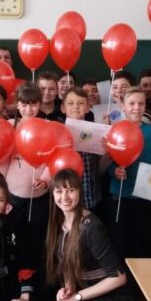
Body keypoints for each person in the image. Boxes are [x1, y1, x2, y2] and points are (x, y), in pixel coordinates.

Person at [41, 169, 134, 301]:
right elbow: (68, 262)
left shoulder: (92, 227)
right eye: (59, 191)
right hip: (86, 292)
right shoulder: (60, 223)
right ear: (53, 194)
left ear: (80, 192)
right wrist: (68, 287)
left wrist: (77, 297)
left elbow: (119, 278)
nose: (65, 197)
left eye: (70, 190)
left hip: (113, 297)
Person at [101, 87, 151, 260]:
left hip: (147, 195)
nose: (137, 108)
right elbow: (105, 163)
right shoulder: (113, 130)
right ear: (122, 106)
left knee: (146, 242)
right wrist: (113, 171)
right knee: (120, 242)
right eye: (131, 103)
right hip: (120, 195)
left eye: (141, 103)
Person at [0, 84, 51, 250]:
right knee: (13, 235)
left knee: (37, 236)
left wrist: (46, 179)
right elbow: (3, 158)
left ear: (39, 104)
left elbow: (53, 157)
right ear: (17, 104)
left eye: (33, 104)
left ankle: (36, 266)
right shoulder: (9, 125)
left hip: (39, 195)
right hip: (13, 194)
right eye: (24, 104)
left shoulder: (48, 125)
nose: (29, 109)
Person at [61, 88, 102, 216]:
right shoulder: (58, 132)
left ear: (88, 108)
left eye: (81, 103)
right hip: (66, 200)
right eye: (70, 103)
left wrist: (107, 154)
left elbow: (101, 168)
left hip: (91, 198)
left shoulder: (96, 132)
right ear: (63, 108)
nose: (76, 106)